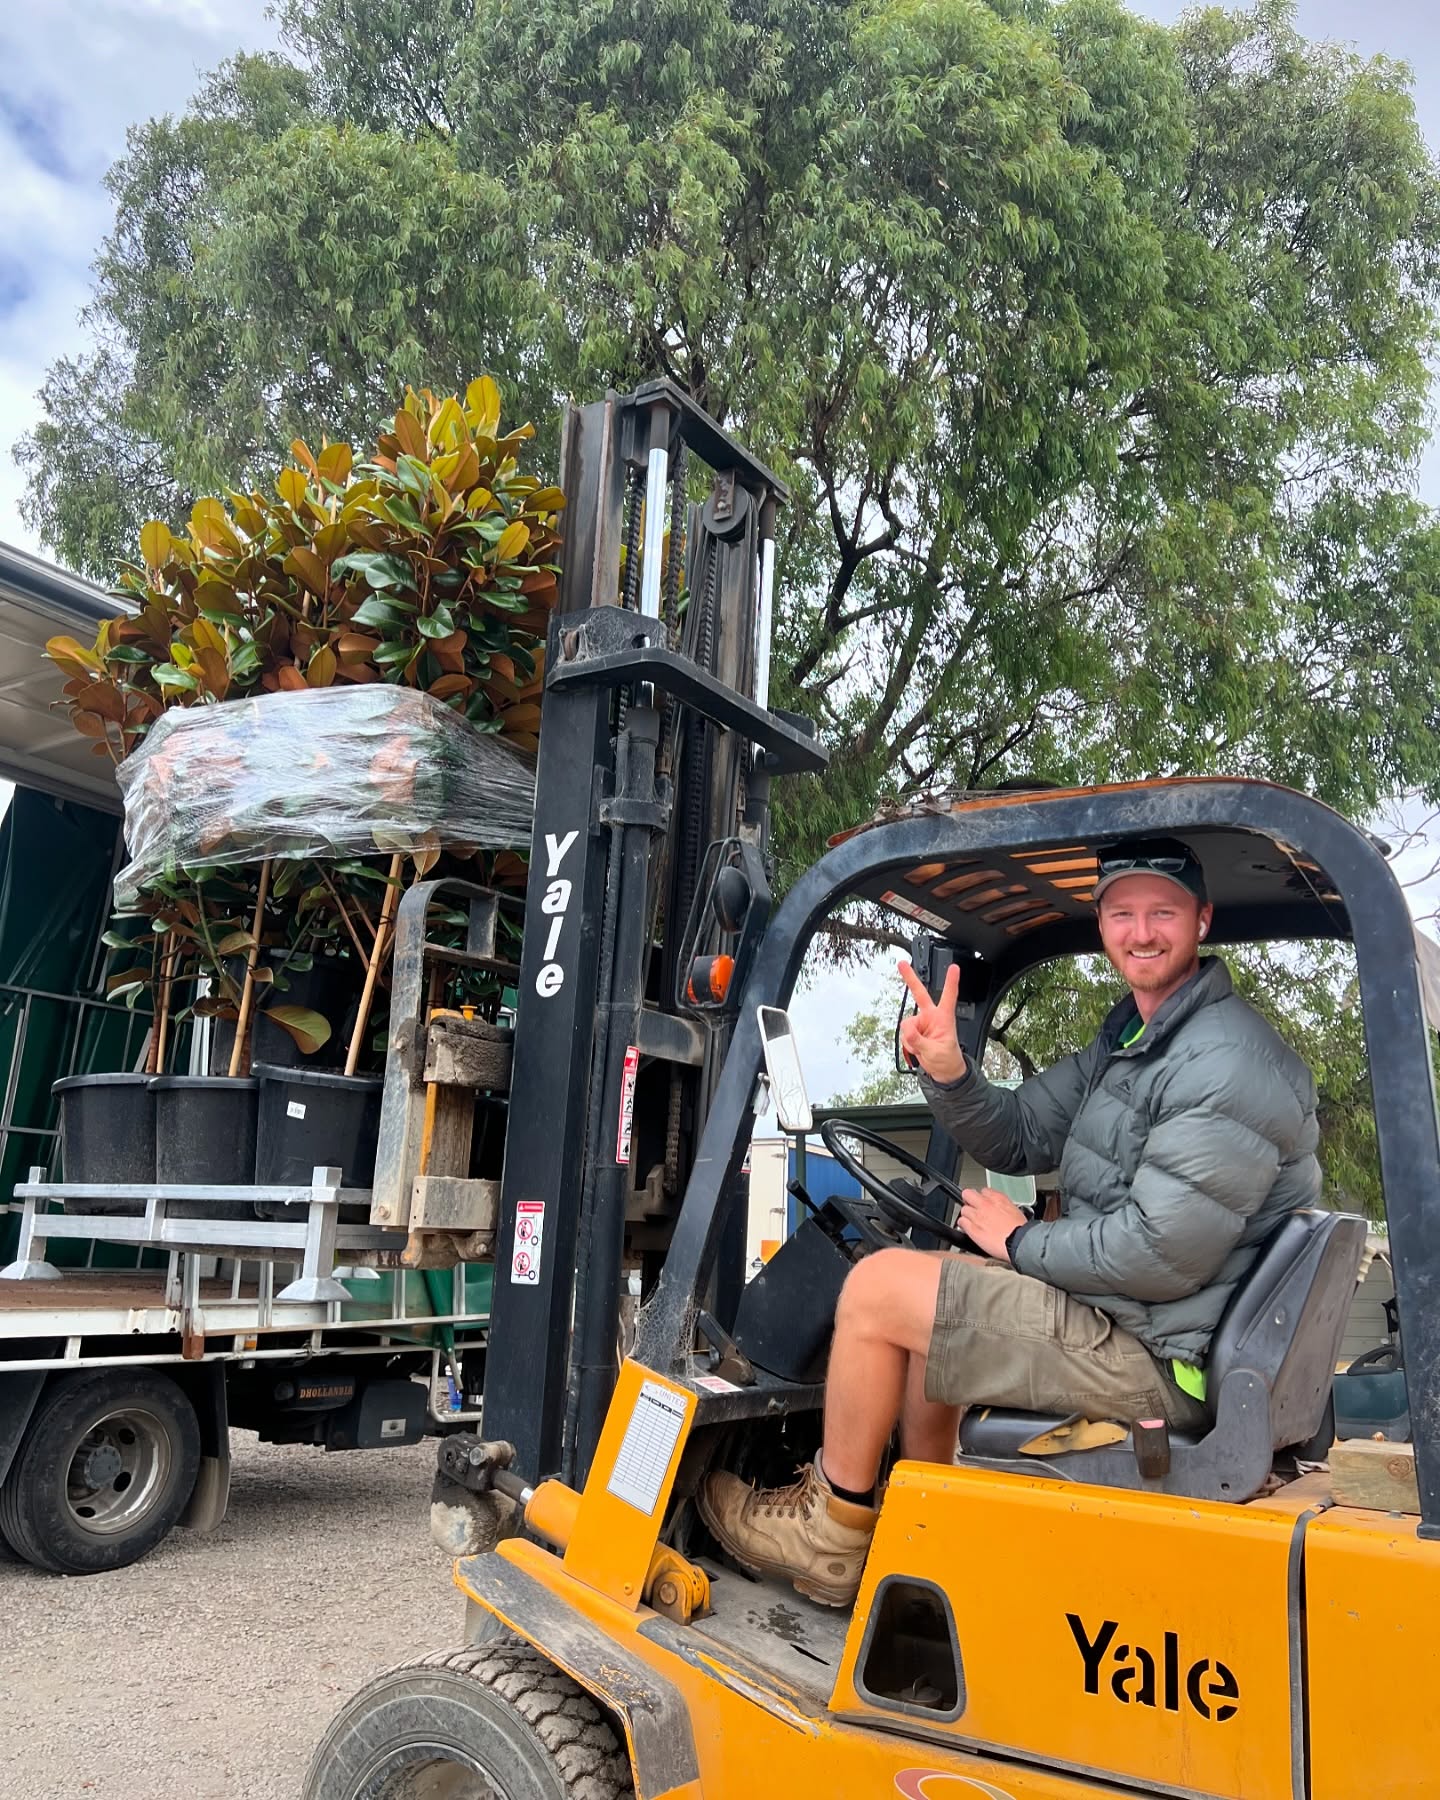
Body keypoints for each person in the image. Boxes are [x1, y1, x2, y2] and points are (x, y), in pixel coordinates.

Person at [697, 838, 1321, 1607]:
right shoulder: (1132, 1040)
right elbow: (1020, 1133)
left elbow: (1160, 1253)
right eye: (1123, 914)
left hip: (1160, 1356)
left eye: (1163, 912)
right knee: (931, 1306)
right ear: (1103, 925)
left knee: (875, 1291)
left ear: (1202, 921)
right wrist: (950, 1070)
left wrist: (1019, 1241)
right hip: (1143, 1320)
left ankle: (832, 1534)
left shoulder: (1221, 1062)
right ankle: (929, 1533)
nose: (1142, 931)